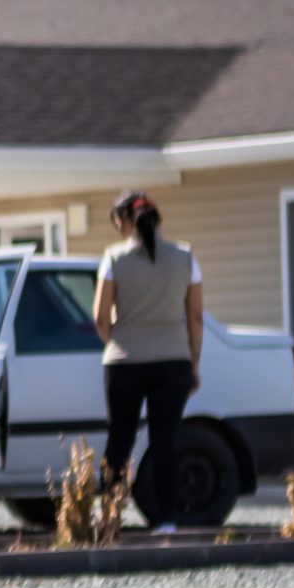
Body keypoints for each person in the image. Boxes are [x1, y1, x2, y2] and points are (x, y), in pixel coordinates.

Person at [93, 190, 203, 533]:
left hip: (124, 362)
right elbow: (195, 318)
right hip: (173, 362)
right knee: (165, 442)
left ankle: (109, 520)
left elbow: (100, 318)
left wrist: (119, 341)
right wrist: (193, 363)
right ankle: (166, 520)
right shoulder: (186, 257)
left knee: (119, 441)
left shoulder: (114, 258)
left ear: (124, 221)